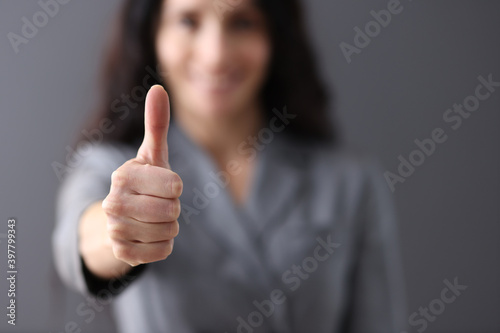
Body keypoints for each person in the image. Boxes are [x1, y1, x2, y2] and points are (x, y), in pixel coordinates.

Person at [53, 0, 407, 332]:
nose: (216, 56)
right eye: (188, 21)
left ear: (274, 36)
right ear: (153, 35)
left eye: (242, 22)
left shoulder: (350, 182)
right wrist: (120, 226)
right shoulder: (113, 167)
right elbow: (79, 240)